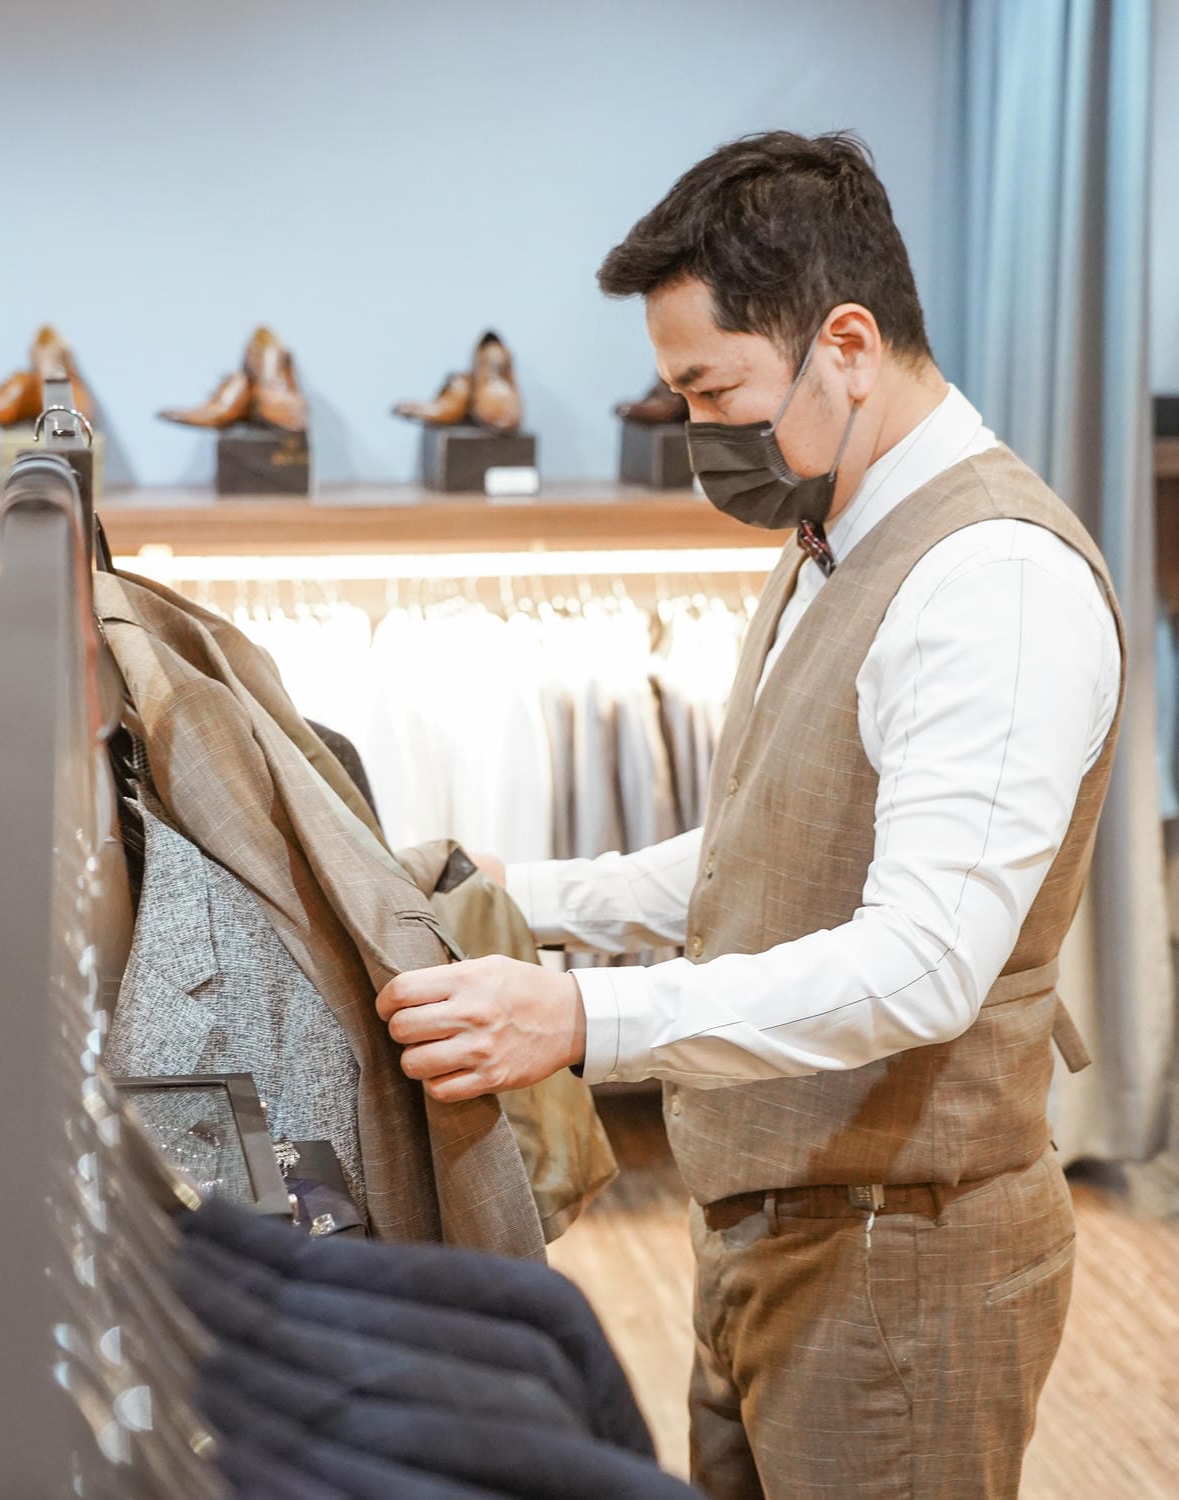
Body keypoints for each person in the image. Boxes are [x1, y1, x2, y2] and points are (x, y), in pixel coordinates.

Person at [376, 130, 1124, 1500]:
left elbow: (922, 964)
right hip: (773, 1238)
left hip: (900, 1264)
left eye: (713, 390)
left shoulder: (994, 587)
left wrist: (583, 1018)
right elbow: (776, 843)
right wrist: (529, 893)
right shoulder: (834, 538)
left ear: (846, 342)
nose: (703, 436)